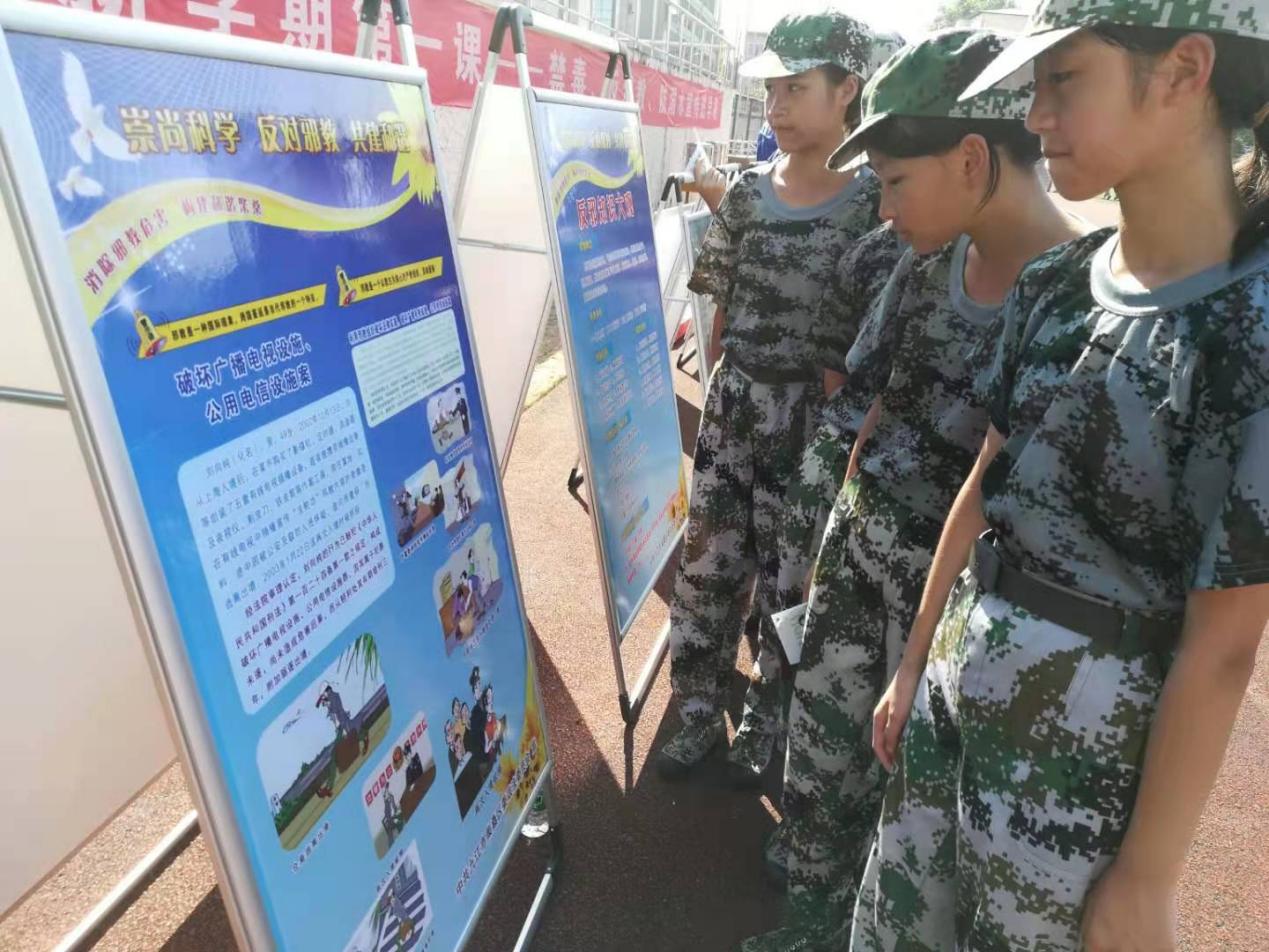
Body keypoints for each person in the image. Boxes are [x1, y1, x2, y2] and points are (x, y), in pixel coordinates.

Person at [857, 3, 1269, 949]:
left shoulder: (1246, 332)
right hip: (958, 680)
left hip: (1077, 762)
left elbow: (1223, 645)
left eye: (1064, 80)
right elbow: (984, 485)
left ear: (1182, 72)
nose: (1035, 115)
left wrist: (1147, 876)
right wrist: (914, 665)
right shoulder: (1058, 281)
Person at [746, 30, 1089, 952]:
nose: (885, 209)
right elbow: (862, 406)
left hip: (950, 601)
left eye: (895, 182)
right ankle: (806, 927)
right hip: (860, 553)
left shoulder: (1074, 302)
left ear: (971, 158)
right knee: (821, 759)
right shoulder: (927, 264)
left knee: (908, 806)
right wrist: (824, 540)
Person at [658, 10, 893, 787]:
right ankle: (697, 705)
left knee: (793, 581)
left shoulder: (877, 207)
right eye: (772, 91)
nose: (777, 105)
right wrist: (723, 387)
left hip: (812, 421)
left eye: (797, 88)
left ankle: (767, 716)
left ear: (846, 90)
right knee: (708, 564)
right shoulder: (749, 198)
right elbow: (720, 314)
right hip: (735, 408)